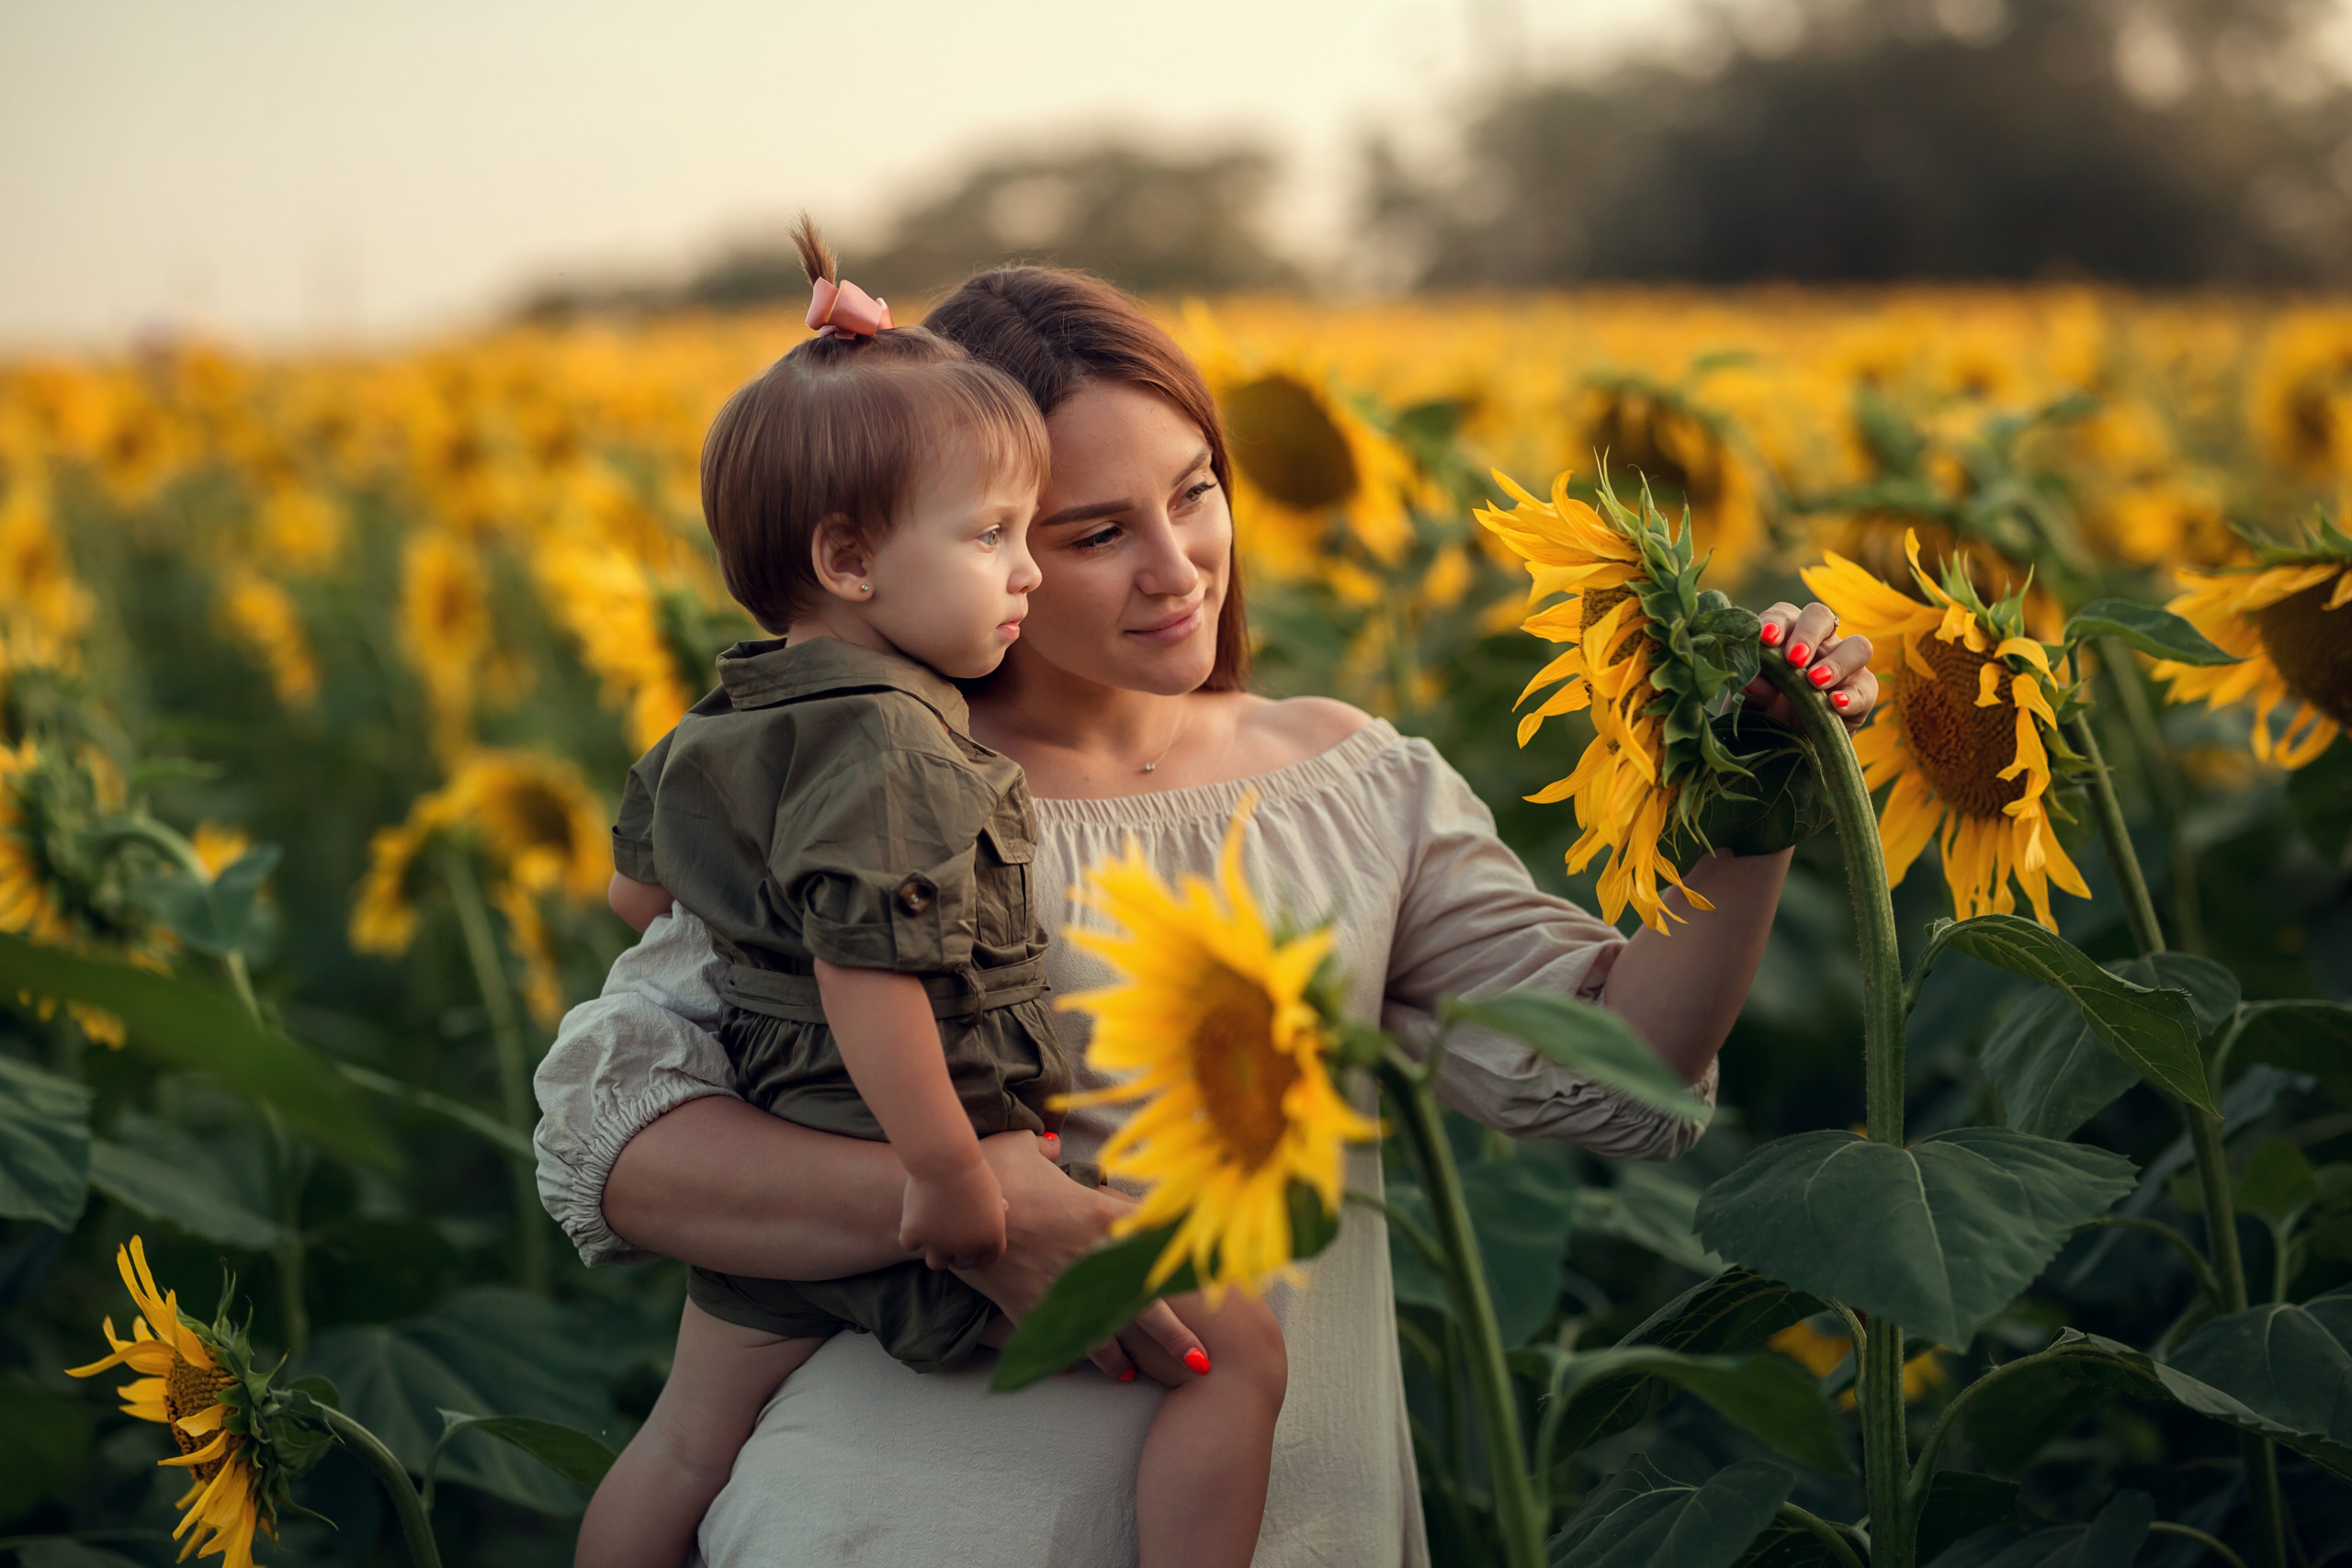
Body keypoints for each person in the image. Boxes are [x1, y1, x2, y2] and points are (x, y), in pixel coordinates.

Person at [534, 262, 1880, 1568]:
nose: (1178, 568)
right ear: (924, 536)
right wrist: (978, 1205)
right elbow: (619, 1141)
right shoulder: (867, 784)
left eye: (1195, 496)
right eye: (1090, 533)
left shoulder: (1349, 782)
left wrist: (1751, 795)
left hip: (1299, 1516)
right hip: (891, 1515)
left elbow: (1625, 1072)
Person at [571, 222, 1285, 1568]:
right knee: (1232, 1353)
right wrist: (952, 1175)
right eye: (1001, 535)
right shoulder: (902, 744)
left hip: (781, 1122)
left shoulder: (730, 712)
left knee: (679, 1444)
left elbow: (639, 898)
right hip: (931, 1161)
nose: (1021, 571)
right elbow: (869, 969)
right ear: (850, 561)